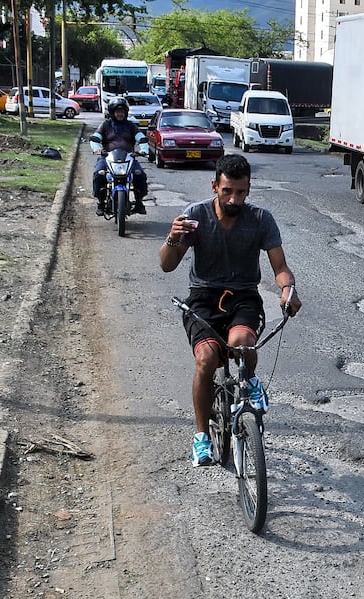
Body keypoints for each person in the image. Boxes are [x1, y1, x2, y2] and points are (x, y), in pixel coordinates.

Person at [159, 153, 302, 467]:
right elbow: (167, 266)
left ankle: (249, 379)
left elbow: (280, 266)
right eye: (227, 191)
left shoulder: (261, 219)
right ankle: (201, 437)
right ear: (215, 186)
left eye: (241, 191)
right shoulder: (195, 216)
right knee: (207, 358)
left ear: (249, 189)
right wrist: (173, 237)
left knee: (242, 343)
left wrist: (287, 289)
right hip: (203, 299)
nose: (234, 198)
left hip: (243, 298)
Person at [90, 97, 149, 214]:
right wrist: (97, 149)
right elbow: (95, 138)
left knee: (140, 175)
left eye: (122, 112)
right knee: (98, 174)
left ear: (126, 112)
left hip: (128, 158)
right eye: (117, 112)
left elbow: (141, 138)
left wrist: (143, 149)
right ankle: (101, 203)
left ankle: (139, 202)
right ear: (112, 112)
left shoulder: (131, 126)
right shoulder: (106, 125)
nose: (120, 114)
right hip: (107, 158)